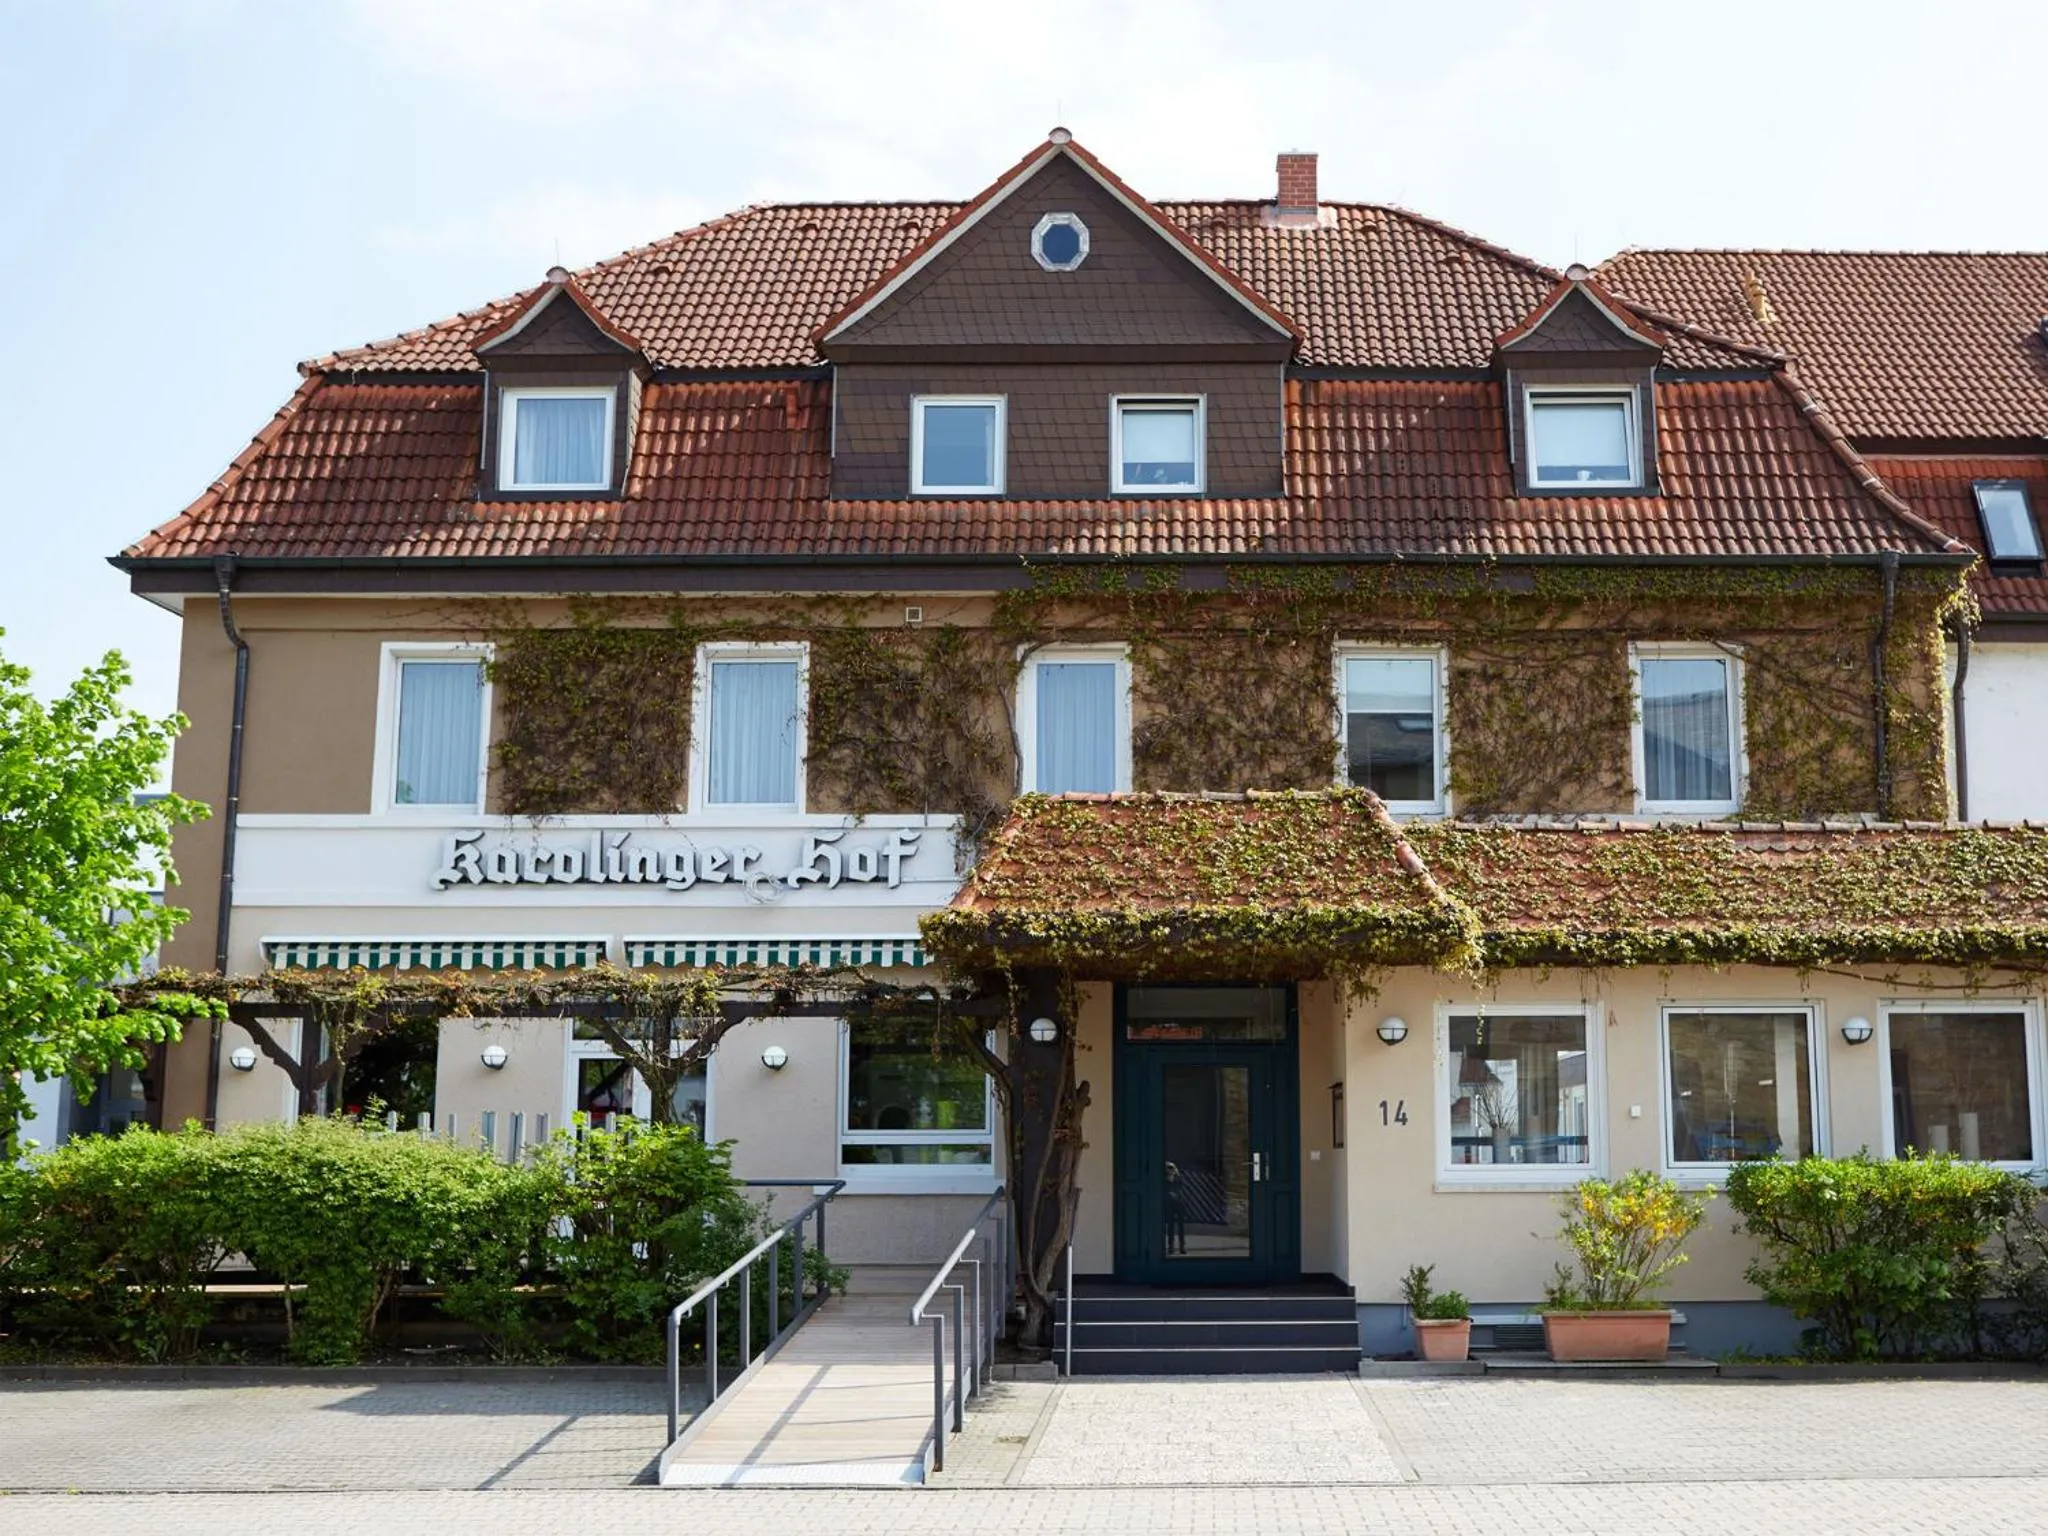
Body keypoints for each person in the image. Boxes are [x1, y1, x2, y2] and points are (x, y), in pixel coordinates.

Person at [1163, 1160, 1188, 1256]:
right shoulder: (1165, 1179)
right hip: (1170, 1204)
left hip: (1179, 1203)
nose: (1170, 1170)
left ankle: (1182, 1246)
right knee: (1171, 1226)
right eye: (1168, 1168)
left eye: (1171, 1168)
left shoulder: (1178, 1178)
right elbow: (1165, 1190)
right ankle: (1171, 1247)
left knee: (1181, 1226)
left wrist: (1177, 1194)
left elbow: (1182, 1188)